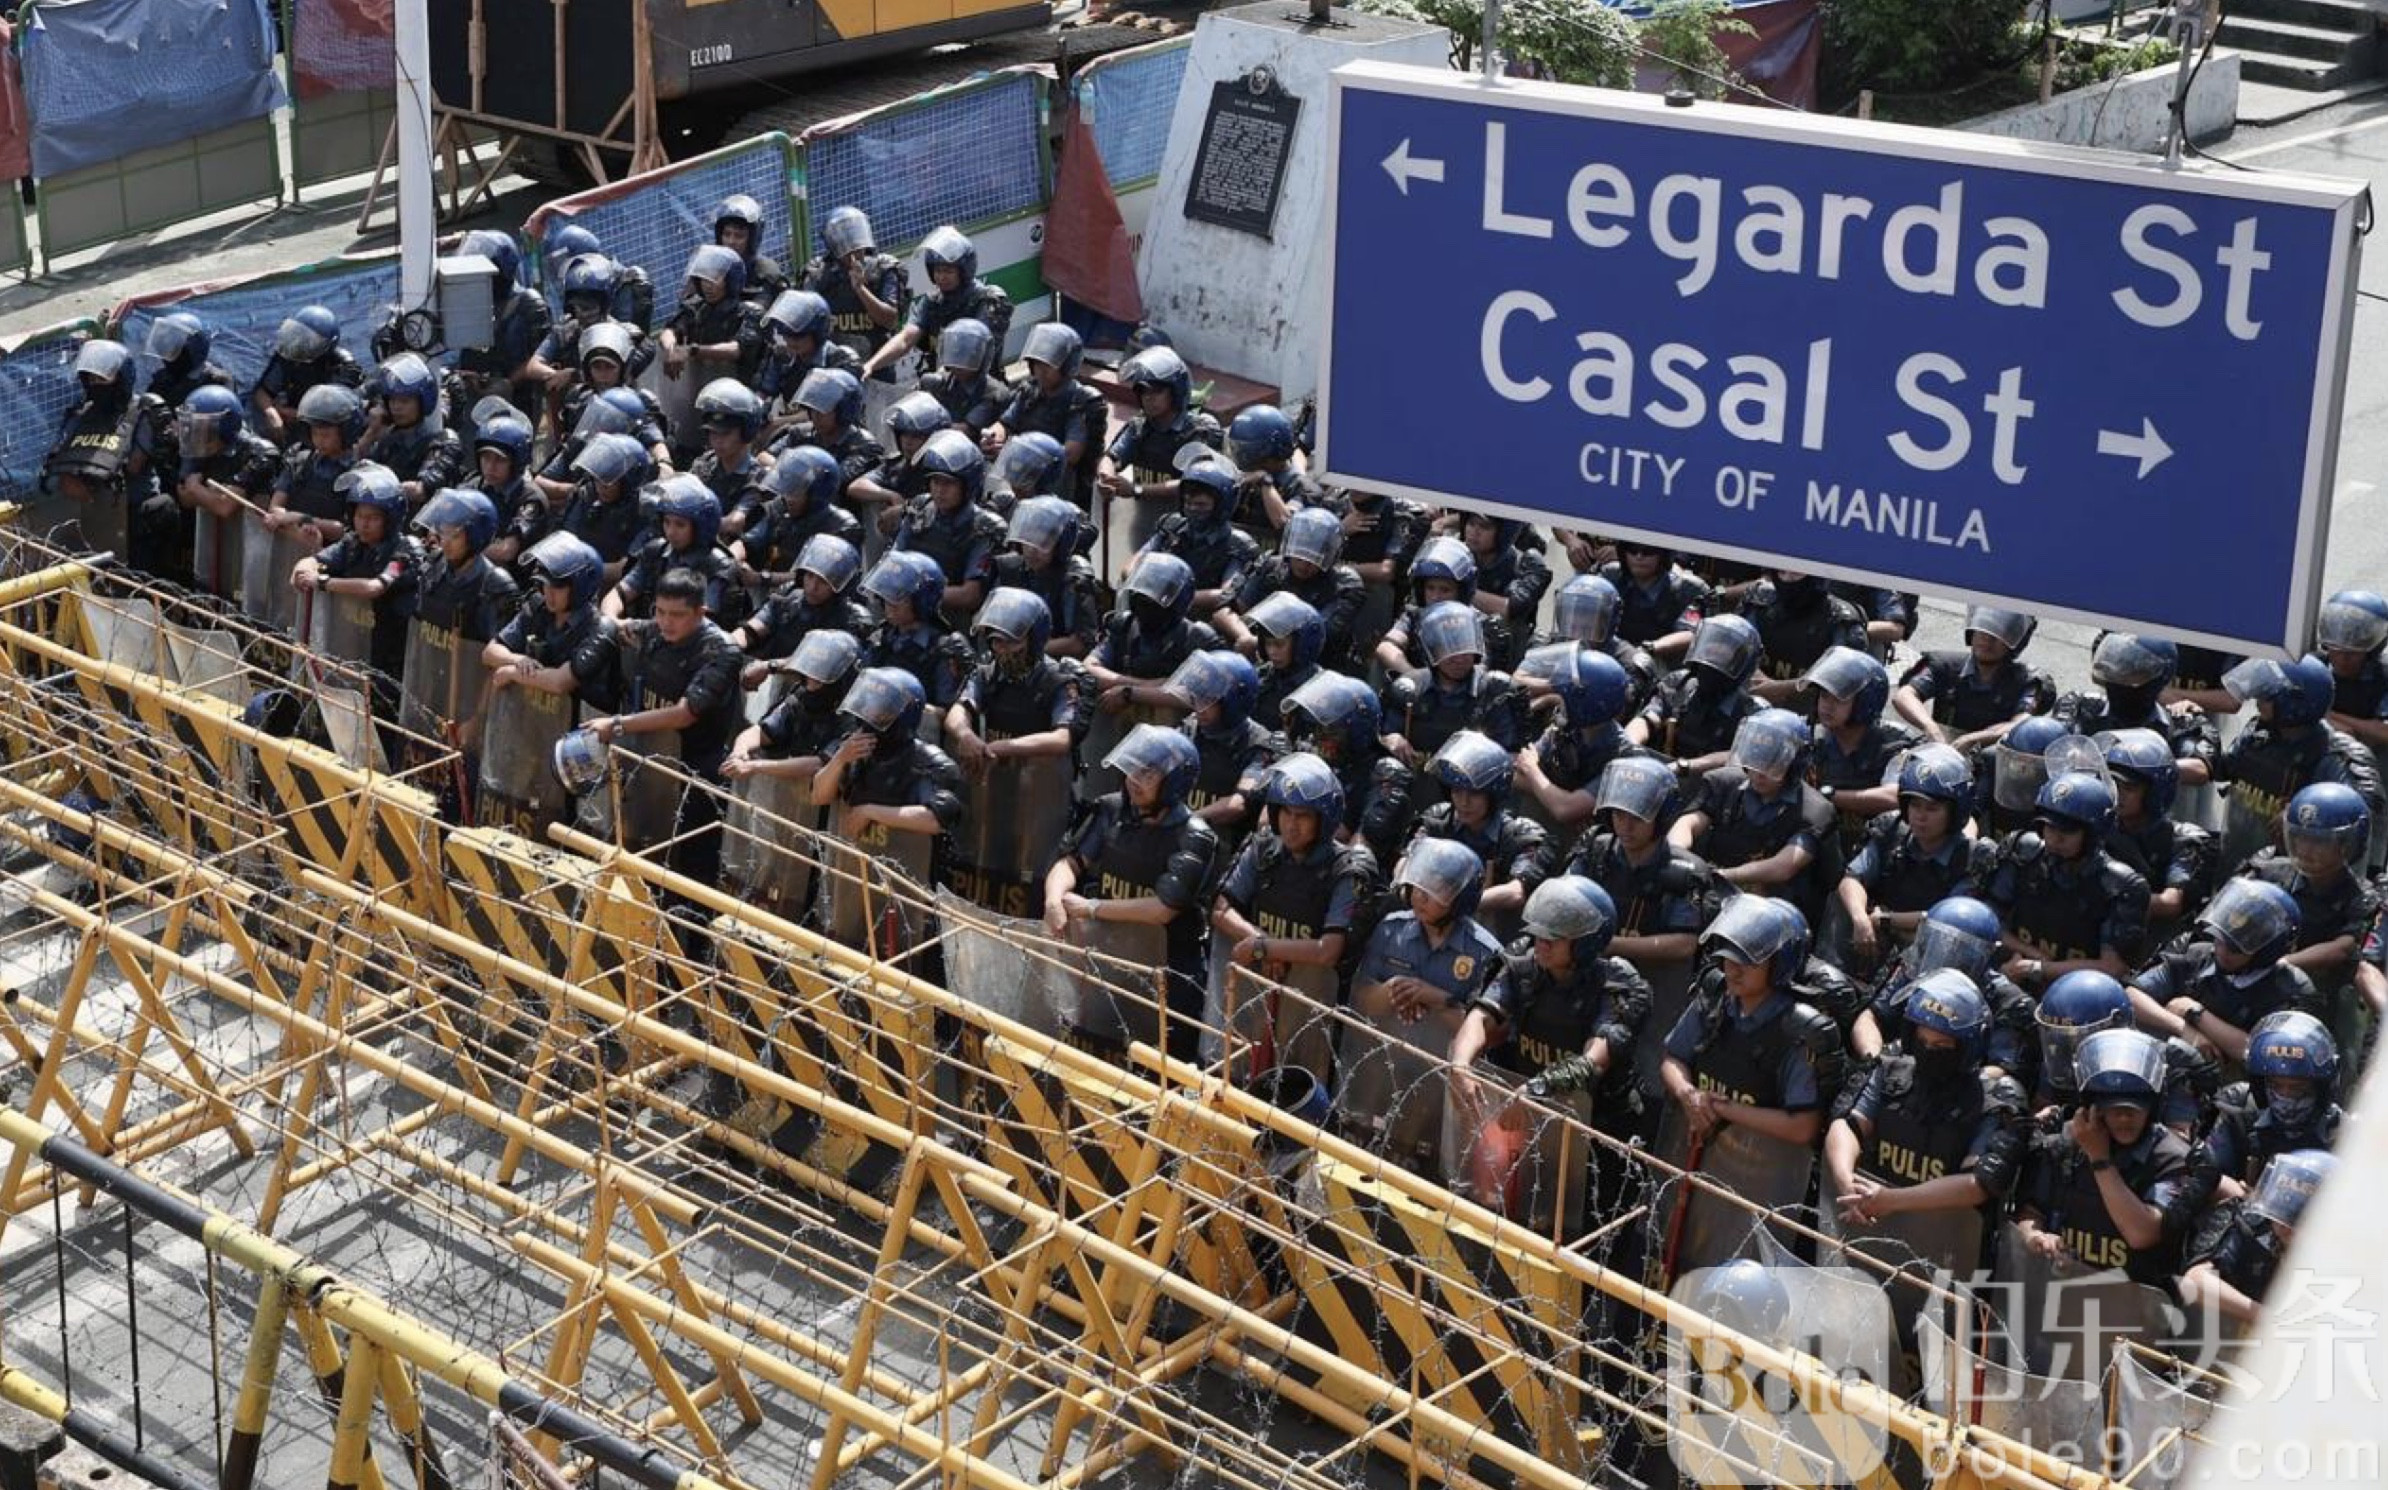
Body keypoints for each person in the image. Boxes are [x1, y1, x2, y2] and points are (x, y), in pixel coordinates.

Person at [1449, 875, 1652, 1222]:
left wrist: (1537, 1089)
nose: (1541, 943)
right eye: (1539, 934)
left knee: (1588, 1230)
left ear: (1585, 943)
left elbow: (1593, 1061)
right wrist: (1461, 1064)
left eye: (1554, 938)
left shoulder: (1617, 984)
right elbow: (1481, 1016)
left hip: (1598, 1134)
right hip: (1532, 1123)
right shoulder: (1524, 965)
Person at [1044, 723, 1223, 1059]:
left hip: (1167, 978)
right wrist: (1054, 899)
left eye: (1147, 774)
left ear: (1173, 782)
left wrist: (1092, 908)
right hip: (1107, 959)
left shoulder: (1195, 836)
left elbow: (1163, 909)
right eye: (1132, 770)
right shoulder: (1112, 810)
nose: (1133, 780)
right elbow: (1070, 863)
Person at [1825, 971, 2026, 1271]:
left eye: (1942, 1046)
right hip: (1870, 1231)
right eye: (1922, 1041)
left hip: (1945, 1259)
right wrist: (1846, 1184)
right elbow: (1847, 1125)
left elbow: (1977, 1184)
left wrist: (1892, 1200)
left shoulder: (1992, 1101)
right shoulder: (1889, 1071)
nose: (1930, 1052)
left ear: (1968, 1047)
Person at [1210, 751, 1377, 1077]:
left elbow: (1328, 950)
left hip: (1312, 1007)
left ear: (1323, 819)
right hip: (1255, 992)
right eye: (1285, 811)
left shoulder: (1347, 869)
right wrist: (1259, 940)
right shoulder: (1263, 848)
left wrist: (1264, 948)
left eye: (1302, 816)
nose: (1291, 823)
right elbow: (1220, 909)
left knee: (1294, 1084)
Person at [1342, 838, 1504, 1172]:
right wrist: (1395, 991)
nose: (1420, 896)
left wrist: (1436, 998)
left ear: (1461, 898)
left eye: (1436, 889)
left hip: (1441, 1092)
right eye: (1418, 886)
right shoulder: (1391, 930)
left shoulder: (1485, 953)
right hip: (1384, 1073)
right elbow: (1362, 999)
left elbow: (1489, 1035)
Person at [1659, 897, 1842, 1188]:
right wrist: (1688, 1094)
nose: (1732, 970)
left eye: (1747, 961)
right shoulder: (1716, 997)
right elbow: (1672, 1058)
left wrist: (1720, 1107)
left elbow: (1802, 1126)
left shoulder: (1798, 1030)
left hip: (1762, 1179)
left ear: (1780, 964)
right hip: (1698, 1161)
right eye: (1728, 957)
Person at [587, 565, 746, 880]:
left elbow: (684, 714)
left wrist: (617, 724)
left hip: (694, 773)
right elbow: (615, 625)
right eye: (660, 612)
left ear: (701, 612)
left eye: (677, 615)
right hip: (649, 763)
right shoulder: (653, 631)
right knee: (639, 850)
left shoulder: (721, 651)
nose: (666, 622)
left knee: (688, 869)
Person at [2012, 1028, 2197, 1290]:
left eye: (2134, 1108)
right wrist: (2035, 1236)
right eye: (2113, 1108)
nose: (2124, 1118)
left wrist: (2099, 1159)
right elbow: (2031, 1211)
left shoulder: (2172, 1159)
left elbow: (2142, 1233)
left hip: (2135, 1304)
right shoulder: (2066, 1143)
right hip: (2063, 1296)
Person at [809, 667, 966, 933]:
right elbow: (818, 795)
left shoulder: (929, 762)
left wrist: (870, 811)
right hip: (851, 880)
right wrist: (840, 759)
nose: (867, 716)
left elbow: (936, 819)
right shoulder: (851, 747)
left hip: (907, 889)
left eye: (878, 710)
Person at [2128, 877, 2323, 1070]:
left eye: (2235, 948)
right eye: (2219, 938)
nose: (2221, 950)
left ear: (2267, 950)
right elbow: (2130, 997)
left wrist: (2196, 1014)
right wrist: (2183, 1028)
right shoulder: (2195, 955)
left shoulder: (2292, 990)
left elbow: (2272, 1055)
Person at [1674, 708, 1842, 929]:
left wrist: (1720, 876)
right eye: (1756, 759)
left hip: (1777, 915)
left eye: (1772, 763)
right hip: (1714, 898)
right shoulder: (1724, 783)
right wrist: (1678, 857)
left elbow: (1784, 866)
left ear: (1794, 763)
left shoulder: (1815, 811)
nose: (1760, 772)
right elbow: (1688, 823)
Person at [2211, 654, 2384, 867]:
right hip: (2237, 866)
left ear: (2294, 702)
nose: (2257, 701)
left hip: (2297, 874)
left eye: (2267, 695)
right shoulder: (2259, 733)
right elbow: (2222, 768)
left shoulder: (2337, 754)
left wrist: (2304, 811)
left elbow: (2362, 813)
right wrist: (2196, 729)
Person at [1983, 770, 2151, 992]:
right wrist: (2031, 955)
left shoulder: (2120, 885)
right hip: (2013, 969)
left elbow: (2112, 967)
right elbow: (1987, 922)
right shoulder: (2022, 852)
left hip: (2082, 992)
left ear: (2092, 833)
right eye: (2049, 827)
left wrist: (2040, 968)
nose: (2055, 838)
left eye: (2067, 831)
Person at [1836, 744, 1993, 971]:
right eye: (1915, 805)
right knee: (1844, 904)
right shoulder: (1891, 829)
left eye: (1932, 809)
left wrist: (1886, 920)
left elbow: (1944, 920)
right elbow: (1852, 878)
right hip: (1874, 937)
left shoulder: (1972, 857)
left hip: (1930, 956)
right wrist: (1860, 918)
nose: (1920, 816)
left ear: (1954, 813)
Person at [290, 464, 419, 709]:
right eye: (360, 516)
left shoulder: (406, 550)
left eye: (373, 518)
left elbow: (374, 587)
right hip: (353, 646)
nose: (364, 524)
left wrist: (323, 582)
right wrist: (304, 568)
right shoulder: (352, 543)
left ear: (390, 519)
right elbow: (315, 561)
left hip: (392, 654)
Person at [1413, 730, 1549, 939]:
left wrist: (1455, 905)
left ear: (1493, 796)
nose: (1463, 802)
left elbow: (1516, 892)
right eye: (1457, 791)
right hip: (1430, 921)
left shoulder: (1519, 834)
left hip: (1492, 934)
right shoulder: (1438, 819)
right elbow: (1407, 863)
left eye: (1474, 794)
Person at [2179, 1149, 2336, 1331]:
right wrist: (2270, 1319)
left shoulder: (2341, 1256)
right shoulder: (2247, 1222)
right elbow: (2195, 1281)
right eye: (2283, 1209)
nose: (2285, 1225)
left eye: (2298, 1217)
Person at [2198, 1011, 2343, 1206]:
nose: (2285, 1095)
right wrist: (2245, 1199)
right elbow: (2201, 1176)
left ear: (2321, 1088)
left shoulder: (2346, 1136)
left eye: (2297, 1088)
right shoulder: (2239, 1112)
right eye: (2276, 1086)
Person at [1281, 671, 1417, 869]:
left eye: (1332, 732)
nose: (1320, 739)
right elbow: (1269, 822)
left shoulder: (1386, 774)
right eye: (1319, 729)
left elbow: (1360, 851)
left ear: (1356, 732)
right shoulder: (1312, 756)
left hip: (1348, 873)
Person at [1098, 345, 1224, 552]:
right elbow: (1111, 457)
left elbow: (1194, 483)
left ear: (1175, 392)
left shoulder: (1199, 430)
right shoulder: (1140, 427)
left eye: (1157, 391)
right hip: (1144, 526)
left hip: (1187, 532)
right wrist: (1106, 477)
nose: (1149, 398)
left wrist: (1136, 490)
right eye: (1143, 391)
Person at [1514, 647, 1646, 836]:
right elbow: (1517, 771)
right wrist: (1553, 794)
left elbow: (1564, 810)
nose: (1558, 701)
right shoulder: (1567, 728)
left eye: (1564, 698)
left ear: (1584, 706)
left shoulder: (1622, 759)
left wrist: (1534, 772)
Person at [2102, 727, 2217, 938]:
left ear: (2154, 793)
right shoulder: (2100, 825)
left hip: (2152, 943)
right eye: (2113, 783)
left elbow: (2171, 903)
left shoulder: (2183, 840)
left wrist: (2104, 899)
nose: (2117, 793)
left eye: (2129, 788)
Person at [1380, 602, 1528, 766]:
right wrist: (1392, 739)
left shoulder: (1494, 691)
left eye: (1465, 650)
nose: (1459, 659)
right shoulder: (1410, 687)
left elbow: (1511, 754)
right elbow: (1384, 734)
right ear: (1432, 650)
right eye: (1449, 651)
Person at [1803, 647, 1916, 855]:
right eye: (1824, 696)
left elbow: (1896, 796)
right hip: (1818, 848)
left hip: (1875, 850)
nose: (1827, 706)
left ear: (1866, 702)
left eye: (1839, 699)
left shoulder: (1895, 743)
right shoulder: (1809, 735)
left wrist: (1828, 795)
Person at [1219, 506, 1363, 667]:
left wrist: (1260, 643)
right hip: (1260, 654)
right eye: (1300, 556)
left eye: (1313, 559)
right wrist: (1245, 636)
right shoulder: (1270, 566)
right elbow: (1226, 610)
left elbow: (1317, 634)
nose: (1304, 564)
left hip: (1318, 666)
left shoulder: (1344, 585)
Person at [985, 323, 1108, 511]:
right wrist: (993, 437)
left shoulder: (1082, 400)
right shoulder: (1029, 391)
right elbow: (1005, 422)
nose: (1040, 370)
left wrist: (1021, 455)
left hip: (1062, 488)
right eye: (1036, 363)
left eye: (1048, 365)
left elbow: (1070, 455)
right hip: (1021, 480)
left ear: (1066, 366)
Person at [863, 226, 1013, 379]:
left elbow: (977, 352)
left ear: (964, 271)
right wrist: (870, 365)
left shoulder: (987, 300)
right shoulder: (933, 301)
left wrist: (944, 378)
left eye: (948, 271)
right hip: (943, 384)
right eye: (938, 271)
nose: (941, 277)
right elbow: (906, 339)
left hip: (982, 386)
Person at [1164, 650, 1281, 844]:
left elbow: (1238, 804)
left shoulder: (1259, 745)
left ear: (1233, 701)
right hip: (1177, 837)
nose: (1199, 707)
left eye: (1208, 700)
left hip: (1223, 844)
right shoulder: (1190, 728)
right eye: (1197, 696)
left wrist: (1189, 821)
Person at [1892, 605, 2050, 748]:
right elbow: (1904, 696)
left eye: (1999, 634)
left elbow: (2022, 722)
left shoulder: (2028, 681)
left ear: (2017, 641)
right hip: (1942, 752)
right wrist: (1930, 728)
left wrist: (1976, 739)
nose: (1987, 639)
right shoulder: (1944, 665)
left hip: (1993, 761)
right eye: (1983, 630)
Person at [892, 430, 1005, 620]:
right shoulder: (920, 508)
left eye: (948, 483)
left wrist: (915, 594)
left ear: (967, 485)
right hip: (908, 614)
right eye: (935, 481)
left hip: (954, 623)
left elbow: (971, 595)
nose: (939, 490)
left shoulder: (983, 527)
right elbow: (894, 560)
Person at [1630, 614, 1765, 769]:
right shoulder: (1679, 684)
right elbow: (1647, 718)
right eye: (1710, 652)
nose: (1712, 662)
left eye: (1722, 656)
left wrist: (1686, 767)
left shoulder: (1752, 714)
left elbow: (1741, 755)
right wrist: (1631, 744)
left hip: (1706, 781)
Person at [733, 533, 872, 677]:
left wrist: (770, 666)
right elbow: (753, 629)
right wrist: (729, 644)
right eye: (810, 576)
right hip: (767, 676)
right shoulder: (788, 595)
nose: (813, 587)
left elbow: (819, 663)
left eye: (823, 582)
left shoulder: (852, 620)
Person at [991, 495, 1103, 659]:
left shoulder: (1074, 578)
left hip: (1058, 664)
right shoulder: (1010, 569)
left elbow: (1080, 643)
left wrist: (1027, 649)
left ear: (1061, 543)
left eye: (1042, 541)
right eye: (1028, 539)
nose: (1032, 549)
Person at [608, 476, 733, 620]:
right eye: (667, 522)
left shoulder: (718, 565)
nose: (671, 532)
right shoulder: (656, 551)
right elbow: (619, 593)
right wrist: (612, 619)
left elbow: (698, 622)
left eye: (680, 525)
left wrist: (640, 628)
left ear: (700, 528)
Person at [802, 205, 907, 375]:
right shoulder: (817, 274)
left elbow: (890, 320)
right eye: (844, 239)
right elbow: (805, 322)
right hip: (832, 368)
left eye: (856, 236)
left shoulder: (883, 268)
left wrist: (860, 289)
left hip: (875, 366)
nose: (853, 247)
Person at [263, 383, 369, 551]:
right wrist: (287, 520)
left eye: (326, 435)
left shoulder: (360, 474)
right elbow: (276, 507)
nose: (319, 440)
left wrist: (303, 519)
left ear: (346, 432)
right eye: (315, 434)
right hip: (289, 547)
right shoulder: (299, 460)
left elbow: (345, 530)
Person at [358, 353, 465, 509]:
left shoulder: (444, 441)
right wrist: (371, 432)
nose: (396, 407)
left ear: (422, 401)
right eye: (392, 400)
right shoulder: (389, 437)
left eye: (404, 401)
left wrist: (393, 489)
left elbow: (421, 491)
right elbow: (359, 468)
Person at [1742, 571, 1867, 700]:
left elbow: (1839, 680)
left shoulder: (1841, 620)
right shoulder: (1758, 600)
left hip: (1810, 707)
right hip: (1752, 697)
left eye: (1796, 573)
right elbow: (1738, 645)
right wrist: (1753, 674)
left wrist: (1781, 688)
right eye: (1782, 572)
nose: (1787, 580)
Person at [553, 433, 657, 589]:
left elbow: (623, 569)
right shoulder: (586, 495)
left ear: (629, 479)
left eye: (609, 480)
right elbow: (564, 539)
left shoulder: (645, 511)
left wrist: (574, 574)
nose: (601, 486)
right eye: (598, 478)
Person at [250, 305, 365, 445]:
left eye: (311, 340)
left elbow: (326, 411)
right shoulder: (290, 357)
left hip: (330, 431)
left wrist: (285, 411)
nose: (302, 342)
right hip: (296, 427)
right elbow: (263, 391)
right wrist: (271, 413)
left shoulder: (343, 365)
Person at [658, 246, 764, 393]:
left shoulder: (749, 312)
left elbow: (735, 350)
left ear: (730, 279)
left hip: (740, 390)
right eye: (704, 279)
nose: (708, 285)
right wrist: (671, 350)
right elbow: (670, 330)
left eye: (715, 278)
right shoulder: (696, 308)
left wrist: (692, 350)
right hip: (702, 389)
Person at [686, 380, 774, 542]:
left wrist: (690, 525)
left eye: (725, 433)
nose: (718, 441)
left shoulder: (758, 477)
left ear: (746, 432)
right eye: (713, 433)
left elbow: (734, 523)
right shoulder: (704, 464)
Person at [1600, 541, 1709, 660]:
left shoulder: (1689, 589)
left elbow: (1690, 632)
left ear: (1664, 556)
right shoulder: (1610, 576)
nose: (1639, 556)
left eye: (1648, 551)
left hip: (1661, 662)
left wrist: (1649, 649)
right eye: (1632, 550)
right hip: (1609, 655)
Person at [915, 318, 1009, 437]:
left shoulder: (994, 393)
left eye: (970, 356)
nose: (959, 363)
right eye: (955, 353)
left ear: (983, 357)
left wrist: (924, 425)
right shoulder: (937, 381)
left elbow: (966, 430)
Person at [710, 193, 786, 303]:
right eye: (726, 234)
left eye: (739, 236)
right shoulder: (710, 269)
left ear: (752, 239)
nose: (731, 241)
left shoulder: (766, 273)